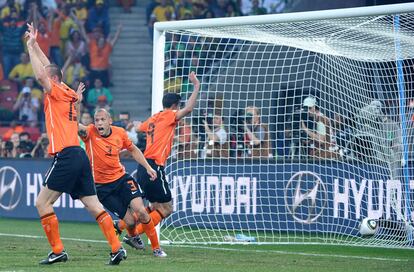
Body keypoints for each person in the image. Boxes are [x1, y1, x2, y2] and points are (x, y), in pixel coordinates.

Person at [25, 22, 126, 265]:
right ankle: (116, 247)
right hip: (80, 156)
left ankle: (57, 250)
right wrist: (37, 44)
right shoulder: (68, 91)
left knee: (42, 202)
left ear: (53, 80)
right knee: (92, 205)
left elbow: (42, 74)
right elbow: (50, 68)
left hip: (67, 155)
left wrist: (30, 47)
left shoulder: (56, 92)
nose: (44, 82)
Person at [114, 72, 200, 236]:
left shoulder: (154, 118)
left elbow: (139, 128)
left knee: (154, 207)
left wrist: (136, 124)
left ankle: (120, 225)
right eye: (178, 106)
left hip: (143, 166)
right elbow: (189, 108)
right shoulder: (169, 116)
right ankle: (136, 234)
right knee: (167, 209)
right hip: (154, 166)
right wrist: (196, 86)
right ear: (175, 106)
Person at [78, 108, 167, 257]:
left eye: (102, 119)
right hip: (102, 188)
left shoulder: (119, 133)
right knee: (130, 222)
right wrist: (78, 102)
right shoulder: (90, 133)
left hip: (122, 179)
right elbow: (74, 125)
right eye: (97, 120)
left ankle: (156, 248)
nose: (99, 123)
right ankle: (133, 236)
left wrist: (148, 167)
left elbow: (134, 150)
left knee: (142, 212)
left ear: (110, 121)